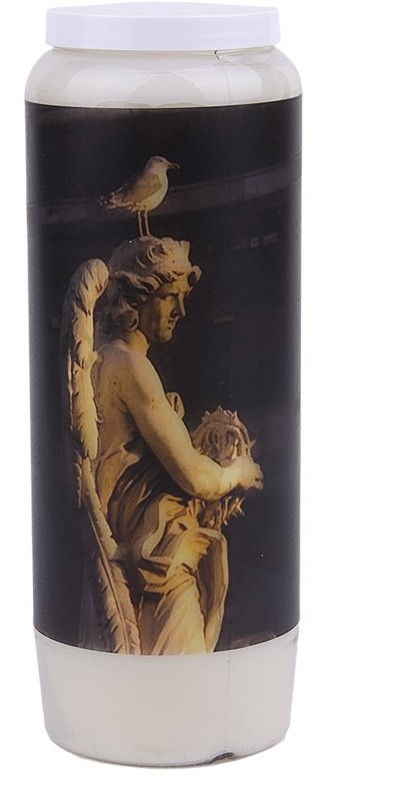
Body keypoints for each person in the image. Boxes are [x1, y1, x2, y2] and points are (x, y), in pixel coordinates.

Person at [90, 237, 262, 654]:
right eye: (170, 297)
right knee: (181, 670)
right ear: (137, 298)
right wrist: (237, 472)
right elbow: (195, 477)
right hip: (155, 563)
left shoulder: (104, 359)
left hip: (138, 555)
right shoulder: (129, 365)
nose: (180, 311)